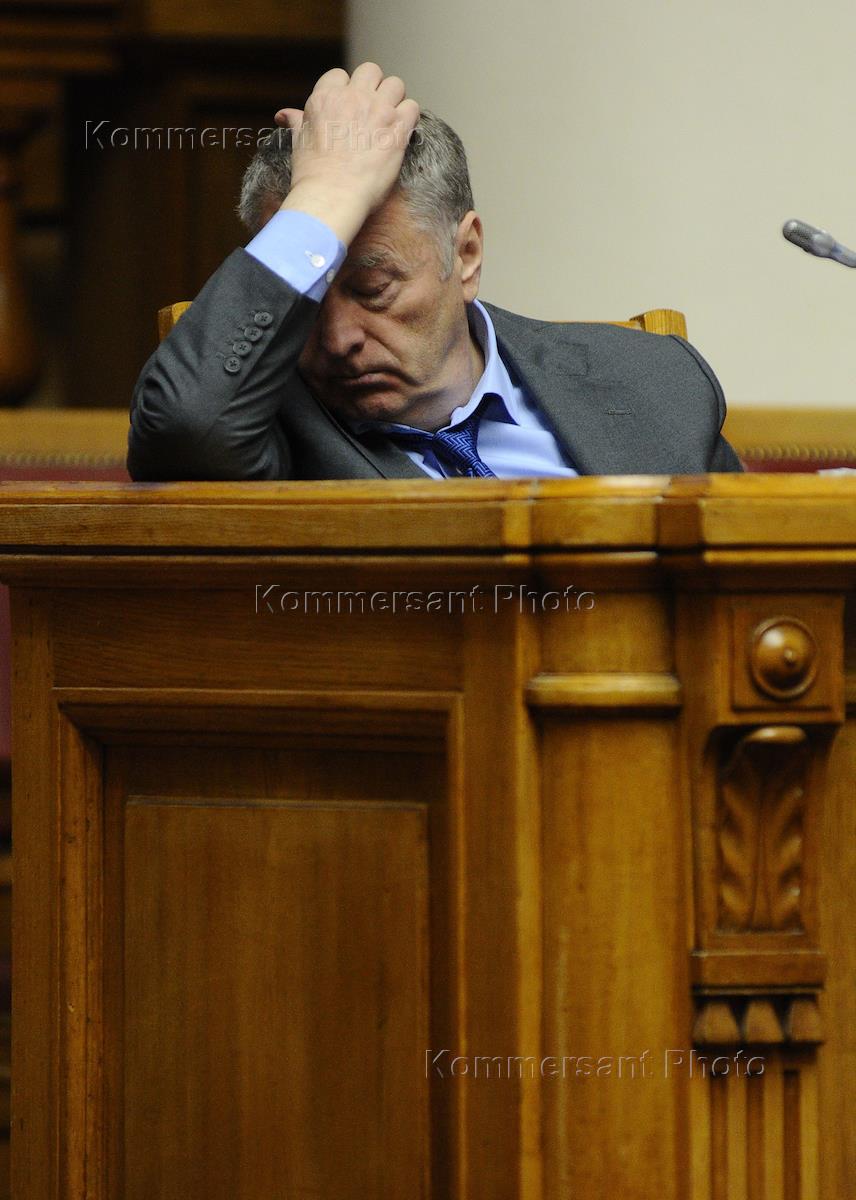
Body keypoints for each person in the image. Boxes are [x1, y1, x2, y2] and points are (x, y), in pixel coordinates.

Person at [127, 63, 742, 481]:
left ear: (466, 254)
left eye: (373, 289)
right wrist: (326, 194)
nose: (338, 340)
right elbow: (186, 421)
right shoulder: (264, 426)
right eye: (310, 297)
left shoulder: (653, 381)